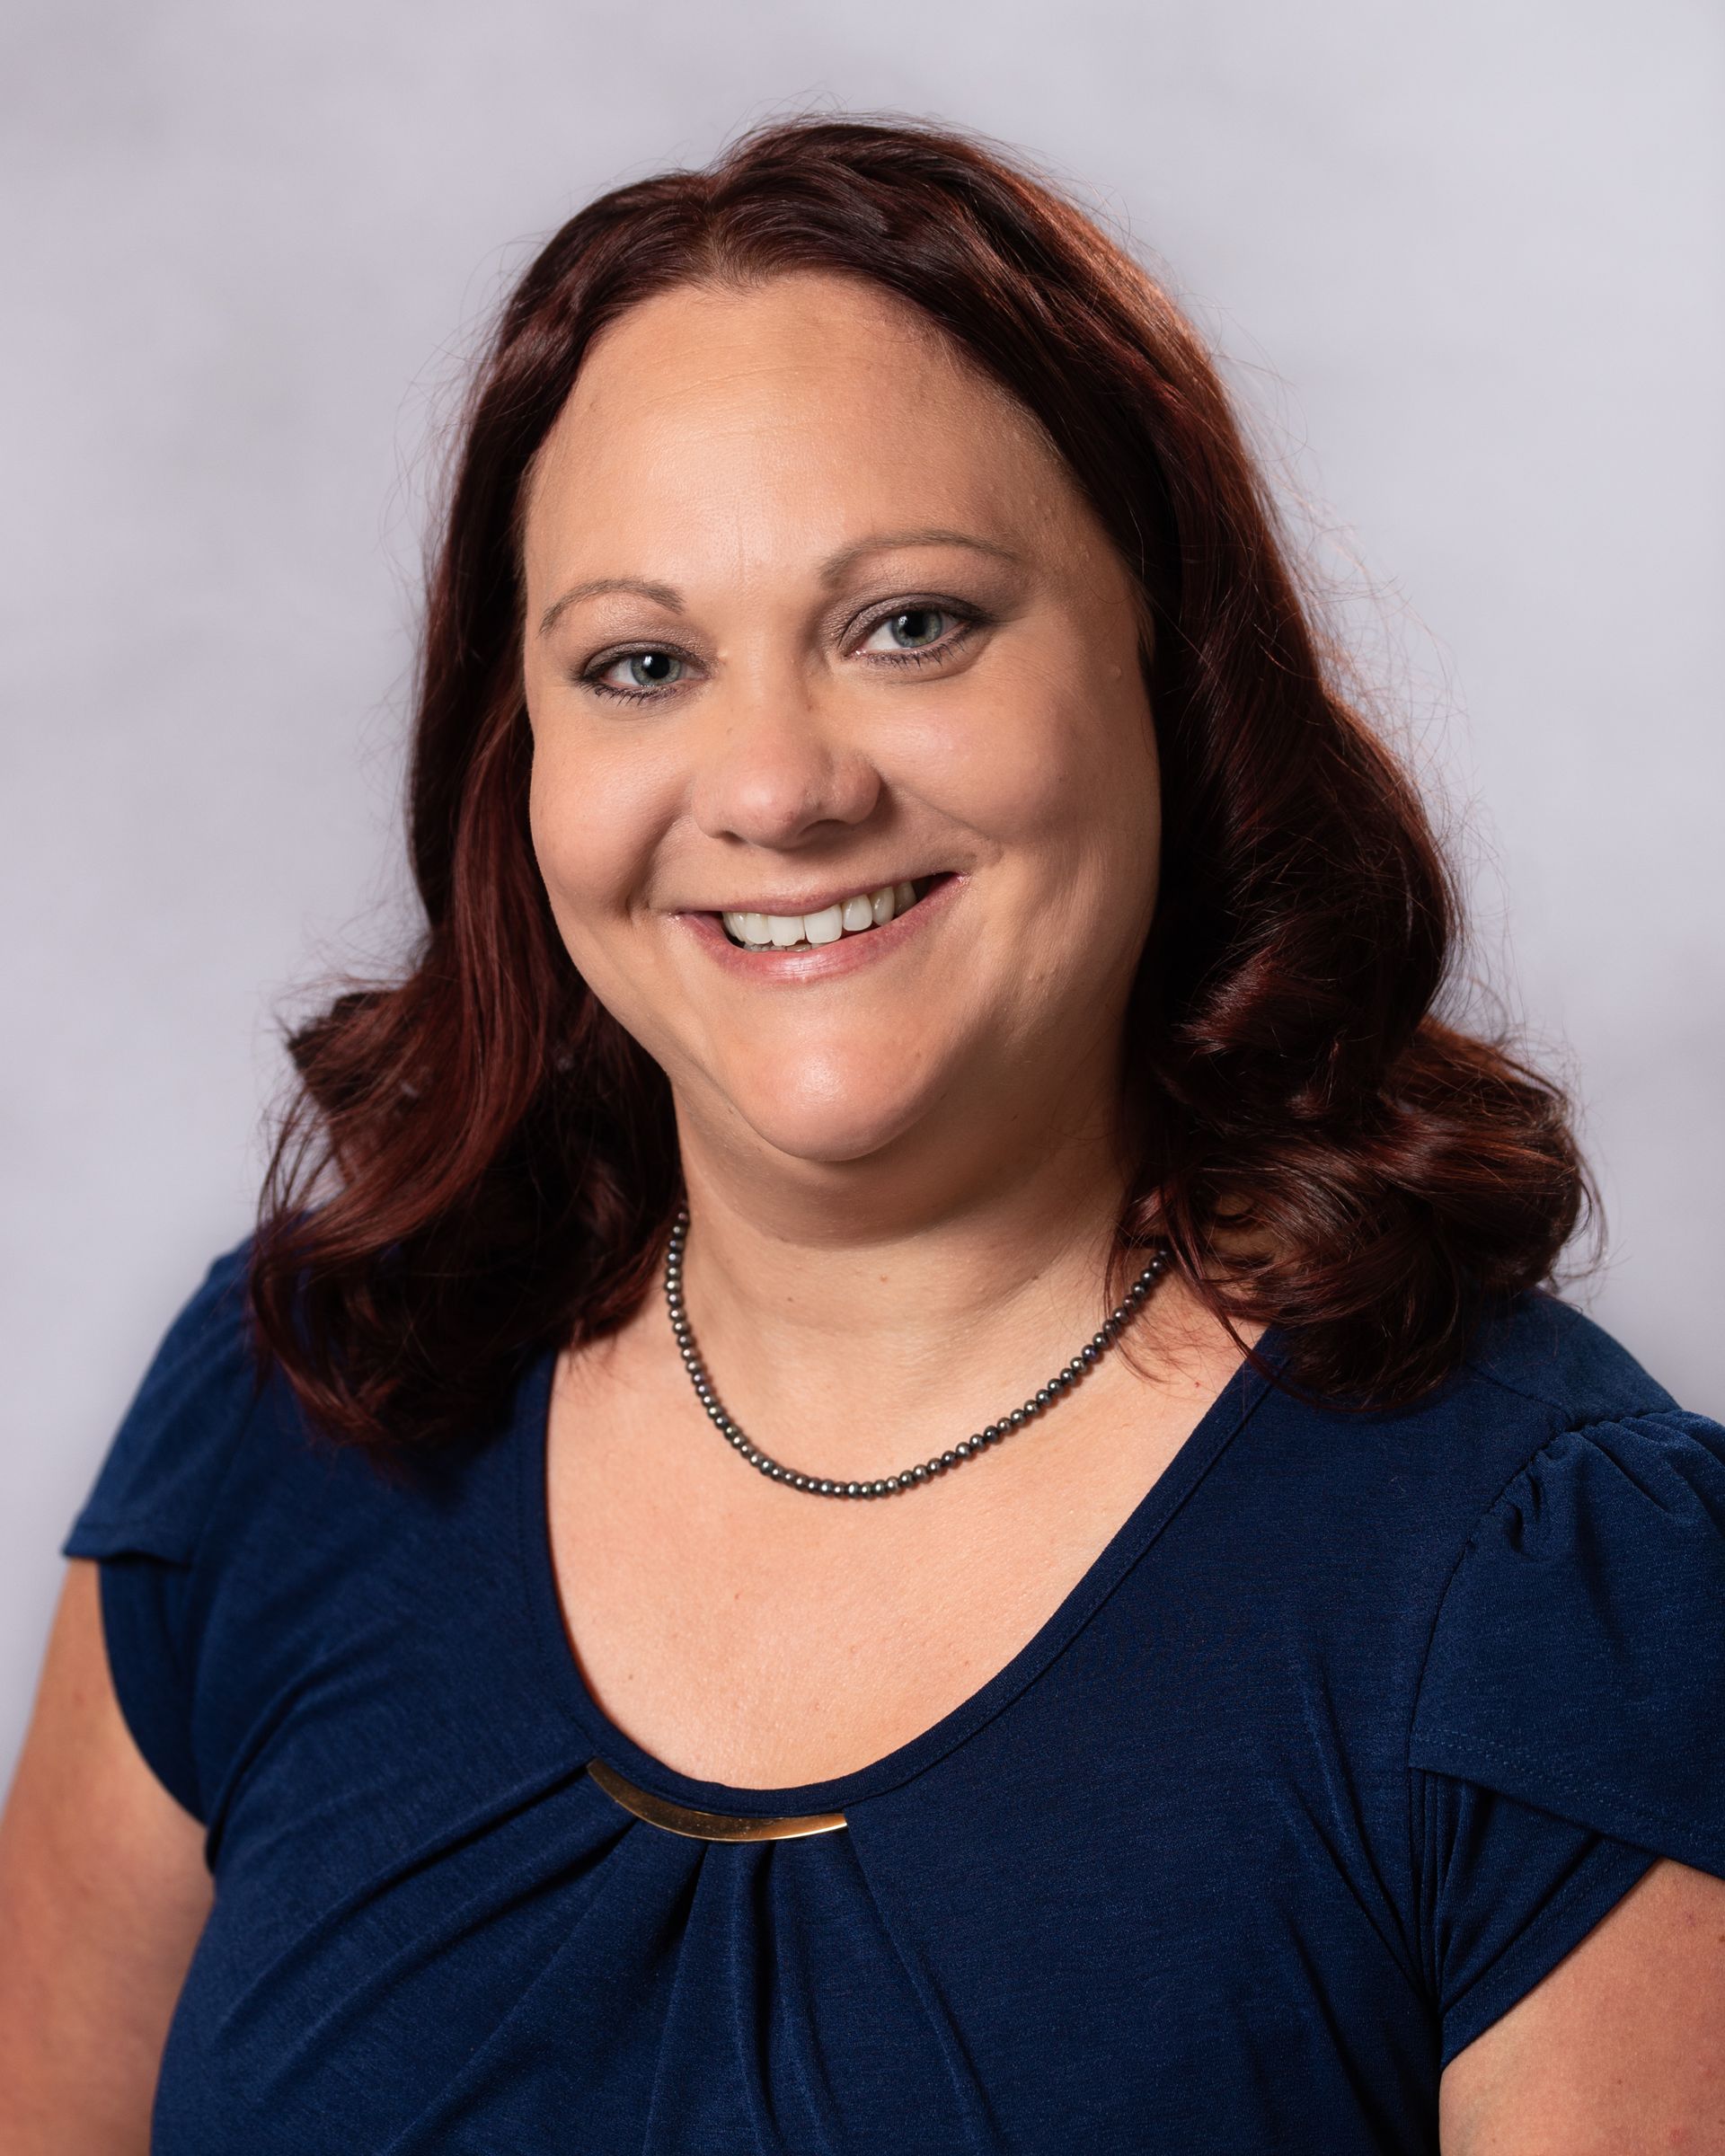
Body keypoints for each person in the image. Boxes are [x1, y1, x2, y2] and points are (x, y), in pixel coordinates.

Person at [1, 111, 1721, 2155]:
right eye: (641, 665)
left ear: (1168, 675)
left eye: (912, 624)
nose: (780, 788)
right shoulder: (303, 1398)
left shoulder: (1555, 1590)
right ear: (520, 763)